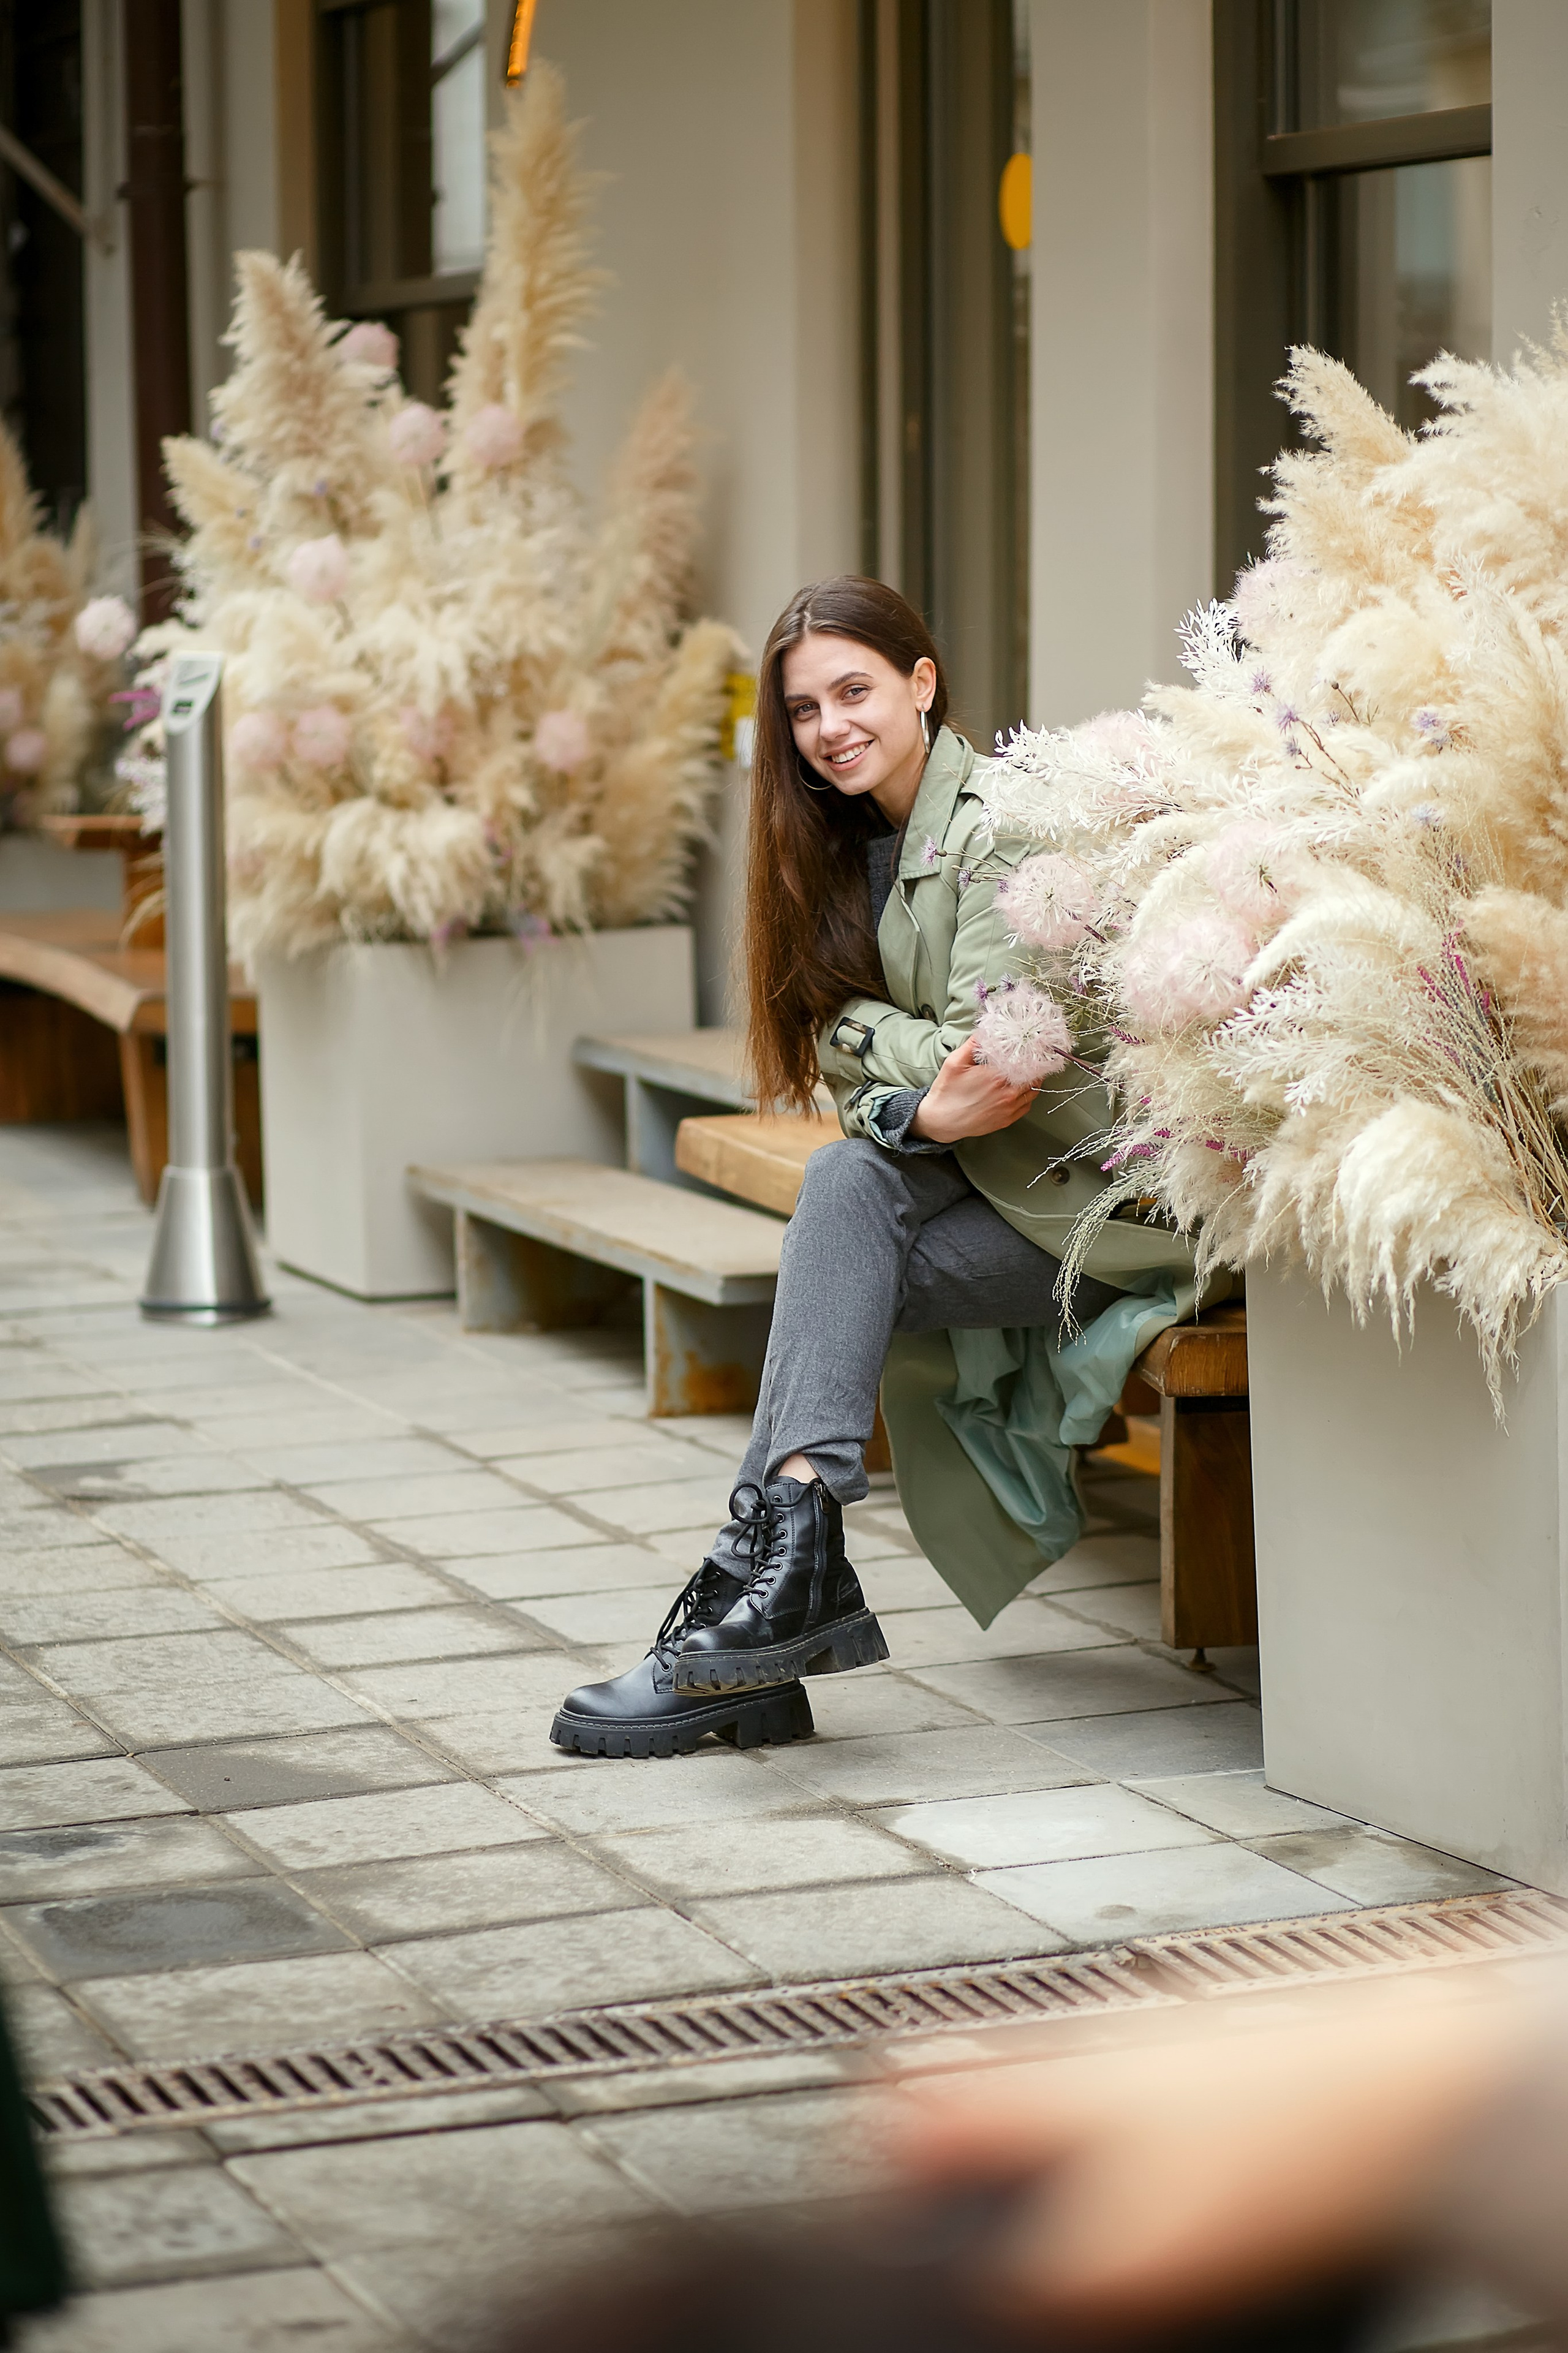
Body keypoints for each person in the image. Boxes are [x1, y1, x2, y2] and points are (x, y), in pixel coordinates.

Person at [551, 576, 1202, 1760]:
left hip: (1092, 1212)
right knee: (845, 1200)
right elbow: (867, 1071)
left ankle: (734, 1625)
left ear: (922, 682)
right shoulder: (837, 842)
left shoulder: (1005, 823)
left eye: (854, 692)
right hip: (985, 1187)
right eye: (803, 710)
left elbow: (988, 1068)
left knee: (838, 1237)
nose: (830, 727)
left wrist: (867, 1040)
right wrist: (896, 1069)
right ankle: (776, 1588)